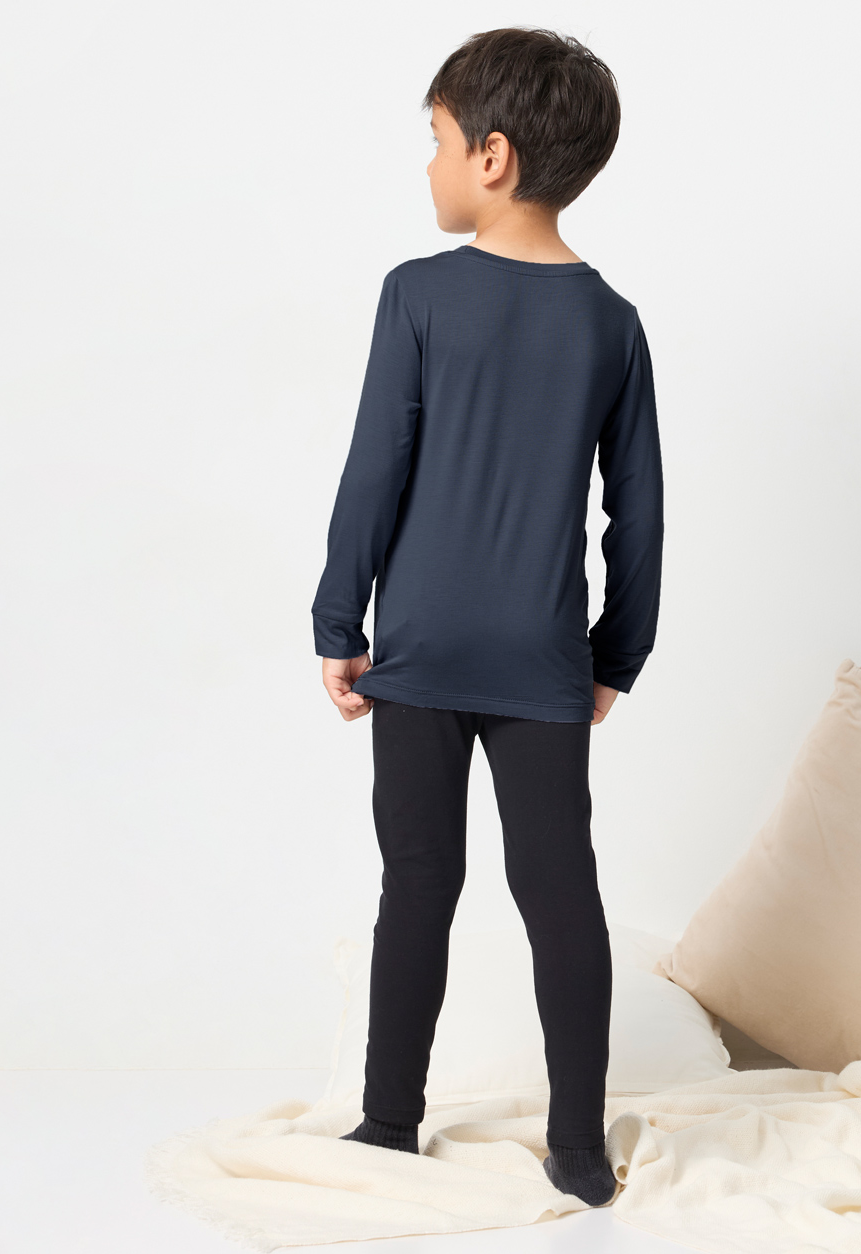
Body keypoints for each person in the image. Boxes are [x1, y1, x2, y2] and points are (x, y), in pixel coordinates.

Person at [311, 26, 663, 1207]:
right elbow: (639, 511)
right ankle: (578, 1148)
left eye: (436, 140)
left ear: (493, 157)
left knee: (417, 882)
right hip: (542, 658)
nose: (428, 164)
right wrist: (616, 654)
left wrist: (338, 621)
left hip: (418, 648)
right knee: (559, 891)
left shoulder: (416, 296)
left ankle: (386, 1123)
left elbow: (375, 469)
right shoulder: (611, 323)